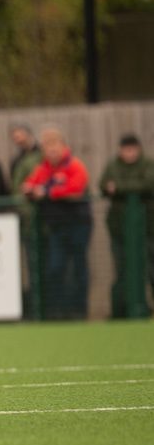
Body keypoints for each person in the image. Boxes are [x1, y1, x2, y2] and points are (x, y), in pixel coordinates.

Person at [23, 126, 91, 320]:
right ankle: (58, 311)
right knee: (56, 268)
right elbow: (28, 184)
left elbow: (76, 189)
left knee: (78, 268)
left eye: (55, 145)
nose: (51, 150)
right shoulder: (43, 168)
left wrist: (48, 192)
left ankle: (79, 311)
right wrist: (30, 189)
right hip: (55, 227)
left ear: (63, 146)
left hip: (78, 224)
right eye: (47, 146)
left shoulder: (75, 165)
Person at [99, 133, 154, 318]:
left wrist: (119, 188)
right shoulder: (113, 165)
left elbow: (148, 185)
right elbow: (103, 185)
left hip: (148, 228)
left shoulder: (148, 165)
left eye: (132, 149)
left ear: (138, 149)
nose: (129, 153)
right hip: (119, 228)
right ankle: (121, 311)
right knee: (122, 270)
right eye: (126, 150)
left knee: (150, 269)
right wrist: (118, 188)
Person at [8, 124, 42, 199]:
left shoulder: (42, 153)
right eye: (15, 138)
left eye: (20, 136)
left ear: (28, 135)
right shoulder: (16, 160)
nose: (19, 140)